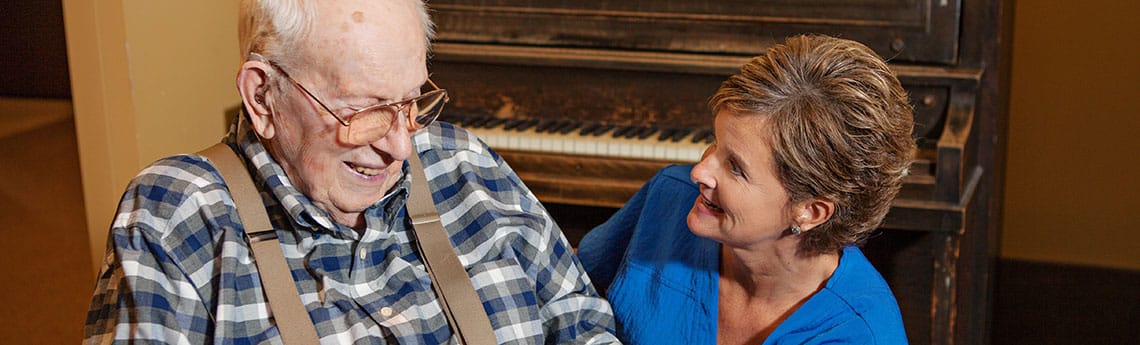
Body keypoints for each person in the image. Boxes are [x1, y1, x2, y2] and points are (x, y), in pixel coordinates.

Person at [83, 0, 618, 343]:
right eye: (363, 110)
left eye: (411, 102)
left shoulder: (464, 160)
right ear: (262, 96)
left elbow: (581, 320)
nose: (401, 145)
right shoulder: (176, 216)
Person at [577, 34, 914, 344]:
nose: (699, 172)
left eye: (735, 167)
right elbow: (564, 293)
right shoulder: (669, 197)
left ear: (810, 211)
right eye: (714, 143)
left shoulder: (858, 334)